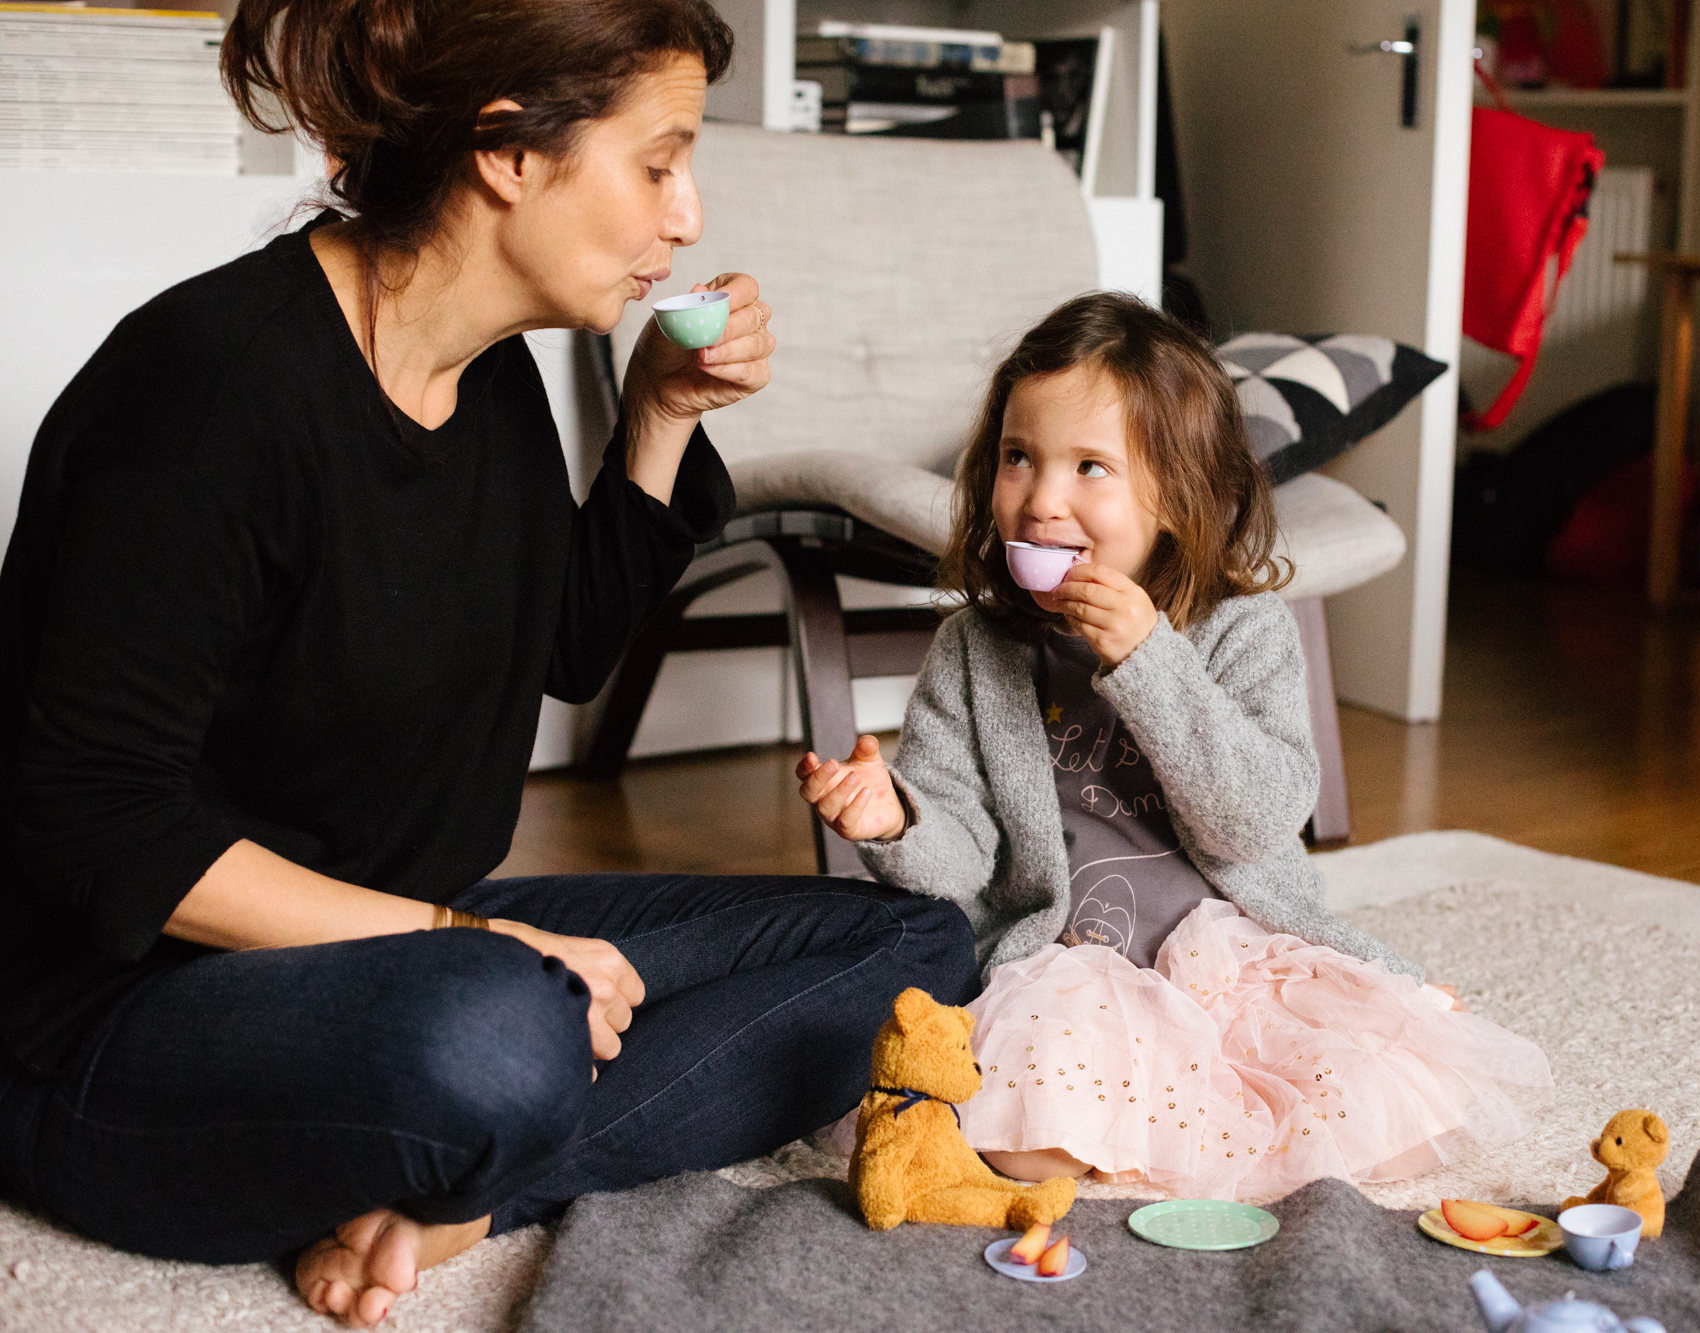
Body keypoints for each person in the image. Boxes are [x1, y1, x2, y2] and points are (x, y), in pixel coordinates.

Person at [0, 0, 975, 1326]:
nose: (685, 215)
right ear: (509, 152)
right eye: (658, 160)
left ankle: (452, 1196)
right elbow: (97, 824)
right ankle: (477, 1126)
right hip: (122, 1026)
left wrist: (656, 418)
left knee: (913, 946)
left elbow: (567, 648)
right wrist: (473, 942)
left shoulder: (493, 376)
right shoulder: (212, 386)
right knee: (504, 1036)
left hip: (422, 944)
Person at [797, 293, 1551, 1201]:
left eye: (1089, 467)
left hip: (1228, 950)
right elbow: (959, 856)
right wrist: (895, 816)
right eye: (1017, 458)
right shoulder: (978, 645)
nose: (1041, 501)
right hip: (1072, 967)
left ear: (1178, 495)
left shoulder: (1241, 628)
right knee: (1025, 1128)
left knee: (1394, 1110)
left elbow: (1260, 818)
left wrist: (1150, 660)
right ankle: (1152, 1129)